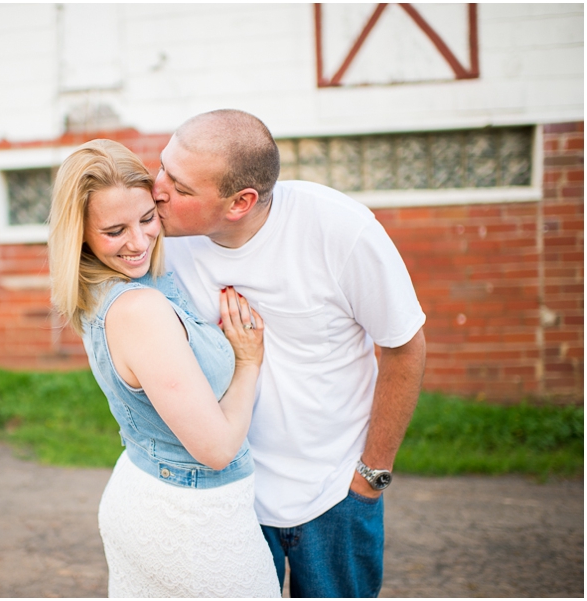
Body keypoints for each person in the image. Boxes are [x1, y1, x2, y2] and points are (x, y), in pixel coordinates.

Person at [154, 109, 428, 598]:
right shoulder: (158, 242)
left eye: (180, 186)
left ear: (240, 202)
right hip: (226, 495)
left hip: (334, 496)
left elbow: (403, 345)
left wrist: (371, 476)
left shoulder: (339, 229)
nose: (157, 190)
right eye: (161, 168)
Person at [47, 139, 281, 598]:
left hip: (157, 494)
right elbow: (214, 449)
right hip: (190, 521)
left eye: (147, 219)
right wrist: (248, 361)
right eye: (115, 230)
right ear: (81, 236)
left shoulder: (116, 281)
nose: (139, 241)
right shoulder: (140, 310)